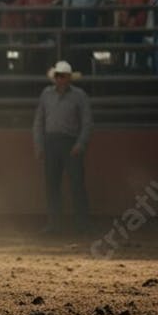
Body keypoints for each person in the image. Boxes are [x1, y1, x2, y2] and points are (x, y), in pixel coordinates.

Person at [33, 61, 93, 235]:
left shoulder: (79, 96)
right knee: (52, 185)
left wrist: (80, 144)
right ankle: (54, 224)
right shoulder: (46, 94)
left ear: (68, 78)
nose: (59, 79)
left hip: (69, 142)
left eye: (62, 76)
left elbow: (87, 122)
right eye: (57, 76)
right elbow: (38, 121)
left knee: (77, 185)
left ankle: (82, 224)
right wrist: (39, 145)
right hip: (52, 142)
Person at [118, 0, 153, 69]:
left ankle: (140, 64)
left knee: (140, 43)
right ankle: (127, 64)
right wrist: (126, 19)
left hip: (142, 19)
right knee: (128, 42)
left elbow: (150, 1)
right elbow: (121, 2)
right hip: (128, 20)